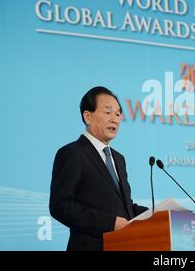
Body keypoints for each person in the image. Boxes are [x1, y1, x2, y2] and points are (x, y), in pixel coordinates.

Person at [49, 86, 148, 251]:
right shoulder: (72, 153)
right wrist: (110, 223)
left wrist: (160, 214)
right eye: (108, 112)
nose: (115, 119)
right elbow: (61, 206)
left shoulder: (118, 159)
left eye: (118, 114)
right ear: (87, 116)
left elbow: (125, 207)